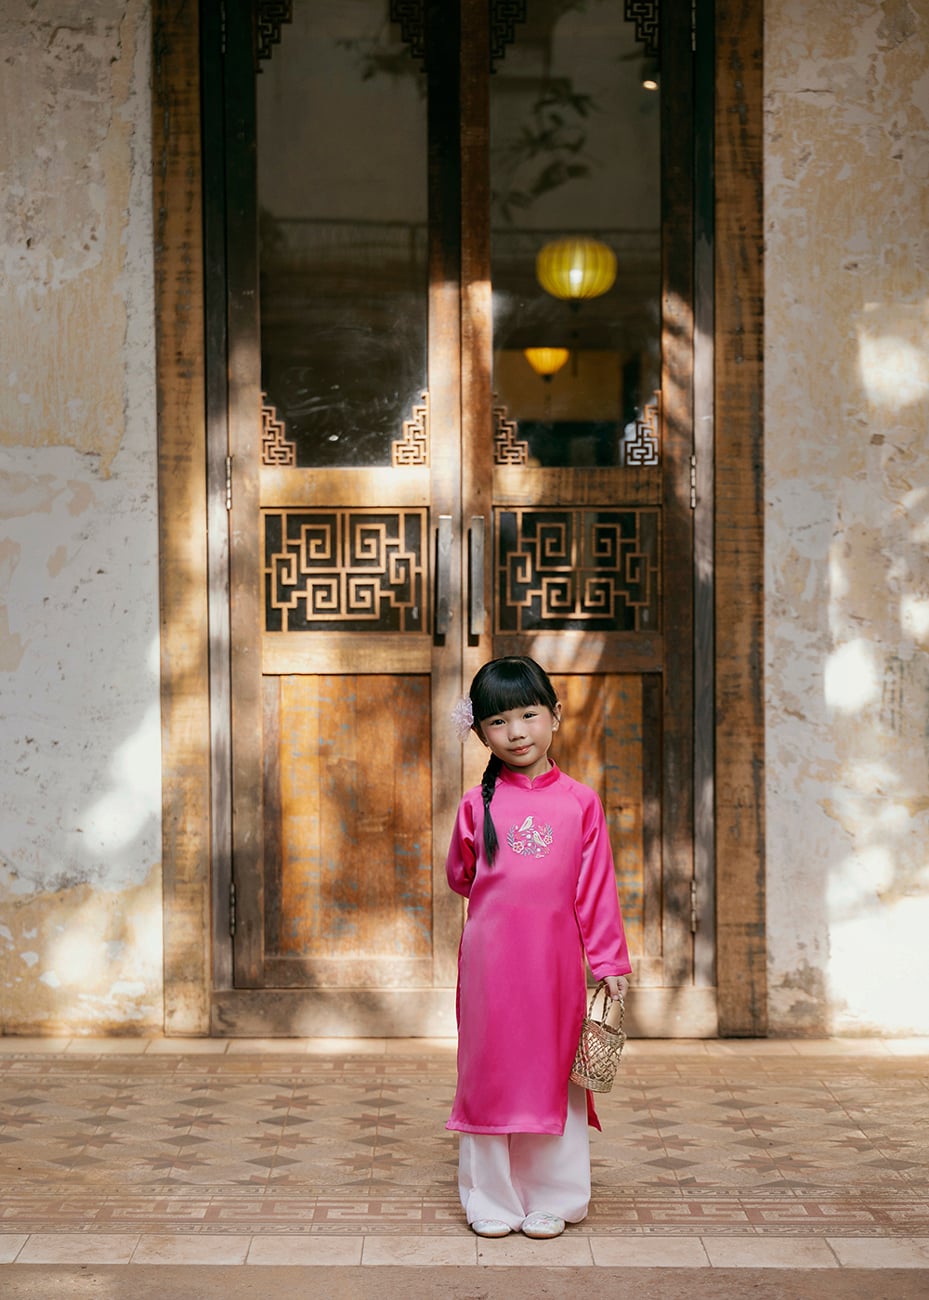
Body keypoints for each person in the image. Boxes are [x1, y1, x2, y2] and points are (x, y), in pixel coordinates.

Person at [446, 655, 632, 1240]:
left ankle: (556, 1195)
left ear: (555, 714)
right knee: (491, 1071)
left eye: (528, 714)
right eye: (498, 721)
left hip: (554, 966)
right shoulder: (476, 804)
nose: (517, 732)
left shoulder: (580, 802)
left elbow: (595, 888)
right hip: (490, 965)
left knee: (553, 1070)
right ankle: (491, 1197)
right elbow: (461, 875)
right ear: (481, 733)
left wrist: (609, 961)